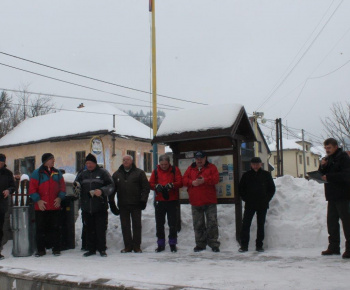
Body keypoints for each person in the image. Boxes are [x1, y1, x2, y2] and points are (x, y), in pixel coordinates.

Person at [75, 153, 115, 257]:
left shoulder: (103, 173)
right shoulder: (82, 174)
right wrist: (77, 188)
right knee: (89, 229)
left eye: (91, 163)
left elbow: (111, 186)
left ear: (95, 163)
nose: (89, 165)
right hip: (86, 207)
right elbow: (76, 186)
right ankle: (91, 249)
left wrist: (102, 191)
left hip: (100, 206)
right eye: (87, 163)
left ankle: (102, 249)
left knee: (101, 229)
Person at [29, 153, 66, 257]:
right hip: (41, 206)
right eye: (51, 159)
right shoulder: (37, 173)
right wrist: (38, 200)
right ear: (46, 161)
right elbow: (32, 190)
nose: (53, 161)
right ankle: (41, 250)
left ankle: (56, 248)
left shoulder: (57, 173)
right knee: (40, 228)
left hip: (54, 205)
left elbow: (63, 188)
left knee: (55, 228)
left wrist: (59, 198)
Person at [183, 151, 220, 252]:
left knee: (212, 223)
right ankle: (200, 244)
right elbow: (184, 180)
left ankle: (213, 243)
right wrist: (192, 182)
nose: (199, 160)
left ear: (205, 158)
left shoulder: (212, 167)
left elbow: (216, 179)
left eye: (201, 158)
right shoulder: (190, 168)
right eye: (197, 158)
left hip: (209, 201)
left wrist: (205, 180)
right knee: (198, 224)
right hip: (195, 202)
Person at [318, 138, 350, 259]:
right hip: (332, 196)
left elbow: (346, 175)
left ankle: (349, 249)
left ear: (335, 146)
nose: (327, 150)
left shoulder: (343, 158)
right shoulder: (329, 159)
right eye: (325, 148)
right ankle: (333, 247)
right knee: (331, 222)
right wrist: (322, 167)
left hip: (344, 195)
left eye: (329, 148)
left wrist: (329, 177)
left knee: (347, 223)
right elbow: (322, 174)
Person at [112, 155, 150, 253]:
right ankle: (128, 246)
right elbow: (112, 190)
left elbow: (146, 188)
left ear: (132, 161)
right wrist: (112, 204)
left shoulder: (139, 173)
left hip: (136, 204)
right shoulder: (117, 174)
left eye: (127, 160)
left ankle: (137, 246)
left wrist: (143, 200)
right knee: (125, 226)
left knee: (137, 226)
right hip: (123, 204)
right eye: (124, 160)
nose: (125, 161)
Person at [238, 157, 276, 253]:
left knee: (260, 225)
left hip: (262, 204)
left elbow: (272, 189)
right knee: (246, 225)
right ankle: (244, 245)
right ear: (251, 165)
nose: (255, 166)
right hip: (250, 204)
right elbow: (241, 189)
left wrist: (266, 199)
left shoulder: (266, 175)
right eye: (253, 164)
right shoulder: (246, 175)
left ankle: (259, 245)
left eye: (257, 164)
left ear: (261, 164)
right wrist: (246, 199)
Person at [149, 154, 183, 253]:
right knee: (159, 224)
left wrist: (172, 185)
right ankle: (160, 244)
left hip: (172, 200)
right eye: (162, 164)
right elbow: (150, 184)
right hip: (160, 201)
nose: (164, 166)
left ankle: (172, 243)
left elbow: (180, 182)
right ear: (159, 163)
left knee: (172, 223)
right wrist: (156, 186)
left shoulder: (175, 170)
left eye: (165, 164)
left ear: (169, 163)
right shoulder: (155, 171)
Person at [0, 154, 15, 260]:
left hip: (2, 204)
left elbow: (13, 186)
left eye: (2, 162)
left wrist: (8, 190)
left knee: (0, 229)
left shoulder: (8, 173)